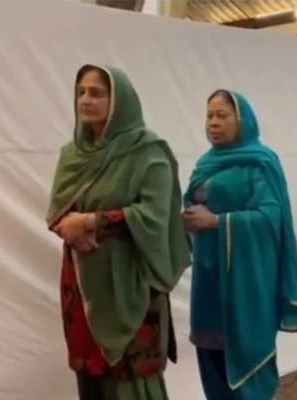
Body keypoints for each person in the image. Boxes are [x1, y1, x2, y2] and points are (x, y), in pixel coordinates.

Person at [47, 64, 191, 400]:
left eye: (97, 93)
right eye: (81, 92)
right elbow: (57, 210)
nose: (86, 99)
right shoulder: (73, 155)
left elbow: (156, 215)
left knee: (130, 382)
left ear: (119, 100)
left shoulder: (148, 151)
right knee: (92, 377)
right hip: (83, 283)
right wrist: (66, 228)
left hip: (132, 281)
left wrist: (91, 221)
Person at [184, 90, 297, 400]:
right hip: (209, 278)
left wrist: (217, 222)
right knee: (212, 356)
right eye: (209, 115)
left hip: (245, 280)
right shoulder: (206, 163)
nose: (214, 122)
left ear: (243, 120)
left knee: (247, 371)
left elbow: (270, 217)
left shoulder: (259, 163)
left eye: (223, 115)